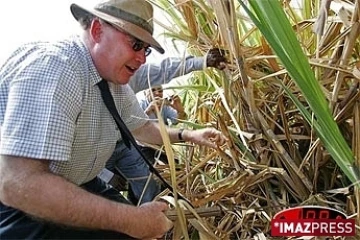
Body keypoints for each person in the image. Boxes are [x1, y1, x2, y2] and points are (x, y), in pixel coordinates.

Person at [0, 0, 227, 239]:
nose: (142, 59)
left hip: (79, 184)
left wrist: (190, 135)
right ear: (97, 30)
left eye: (145, 50)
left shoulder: (115, 85)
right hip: (22, 205)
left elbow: (144, 130)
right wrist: (131, 220)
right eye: (136, 44)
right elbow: (18, 184)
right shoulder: (56, 68)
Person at [104, 51, 227, 205]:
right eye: (153, 90)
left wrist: (203, 62)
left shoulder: (130, 79)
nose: (140, 57)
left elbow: (163, 70)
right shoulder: (138, 104)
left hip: (130, 145)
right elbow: (140, 128)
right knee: (102, 192)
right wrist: (105, 176)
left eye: (145, 49)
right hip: (107, 150)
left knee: (149, 182)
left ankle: (151, 217)